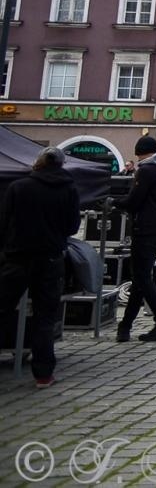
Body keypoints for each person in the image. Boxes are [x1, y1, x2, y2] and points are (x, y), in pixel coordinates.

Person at [0, 147, 81, 385]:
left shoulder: (19, 187)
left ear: (39, 163)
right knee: (45, 317)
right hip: (50, 259)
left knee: (2, 308)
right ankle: (43, 374)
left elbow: (4, 222)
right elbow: (72, 226)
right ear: (61, 165)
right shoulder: (68, 189)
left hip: (17, 258)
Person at [114, 135, 156, 342]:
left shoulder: (147, 170)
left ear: (140, 152)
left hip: (146, 229)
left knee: (142, 278)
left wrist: (115, 202)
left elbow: (134, 201)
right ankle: (125, 327)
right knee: (141, 279)